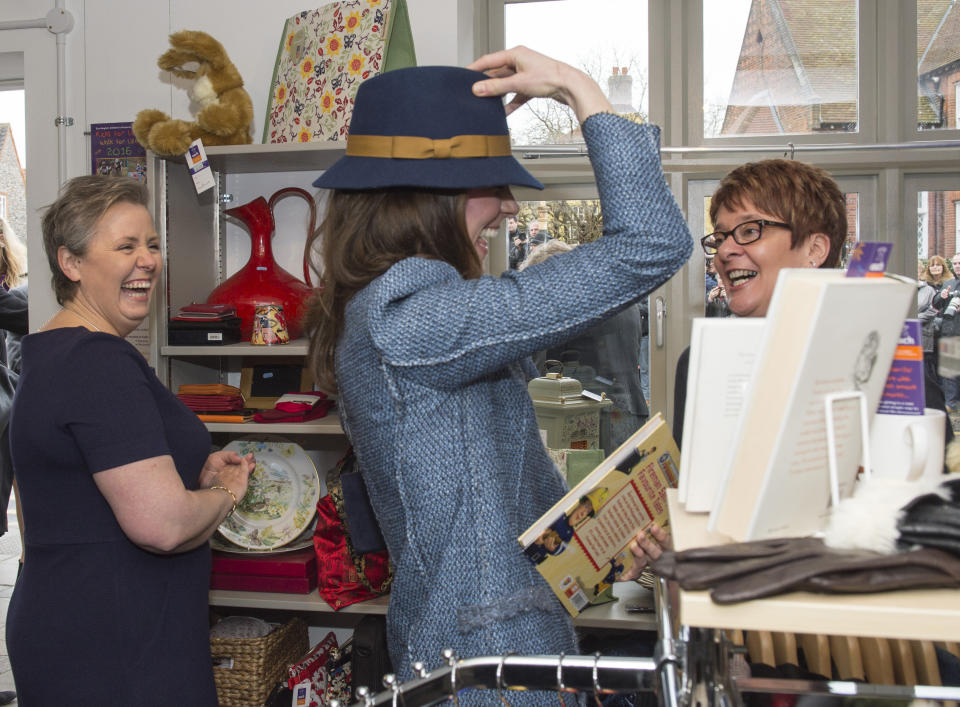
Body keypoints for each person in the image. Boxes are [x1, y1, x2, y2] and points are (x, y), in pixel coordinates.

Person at [303, 47, 692, 692]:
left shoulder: (403, 311)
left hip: (488, 646)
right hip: (485, 662)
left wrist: (593, 535)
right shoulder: (411, 315)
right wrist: (578, 88)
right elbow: (652, 243)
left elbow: (481, 483)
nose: (510, 206)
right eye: (493, 183)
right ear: (429, 197)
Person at [6, 175, 255, 705]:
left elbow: (46, 506)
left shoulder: (47, 353)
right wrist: (226, 492)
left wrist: (193, 476)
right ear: (70, 264)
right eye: (125, 246)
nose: (148, 260)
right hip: (118, 642)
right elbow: (162, 527)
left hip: (71, 623)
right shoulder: (98, 362)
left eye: (153, 244)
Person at [673, 159, 951, 449]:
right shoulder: (698, 363)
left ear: (814, 250)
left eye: (750, 230)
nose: (725, 250)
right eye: (720, 237)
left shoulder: (886, 368)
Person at [521, 239, 650, 450]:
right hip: (632, 411)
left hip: (586, 419)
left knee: (585, 482)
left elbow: (539, 373)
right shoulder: (623, 297)